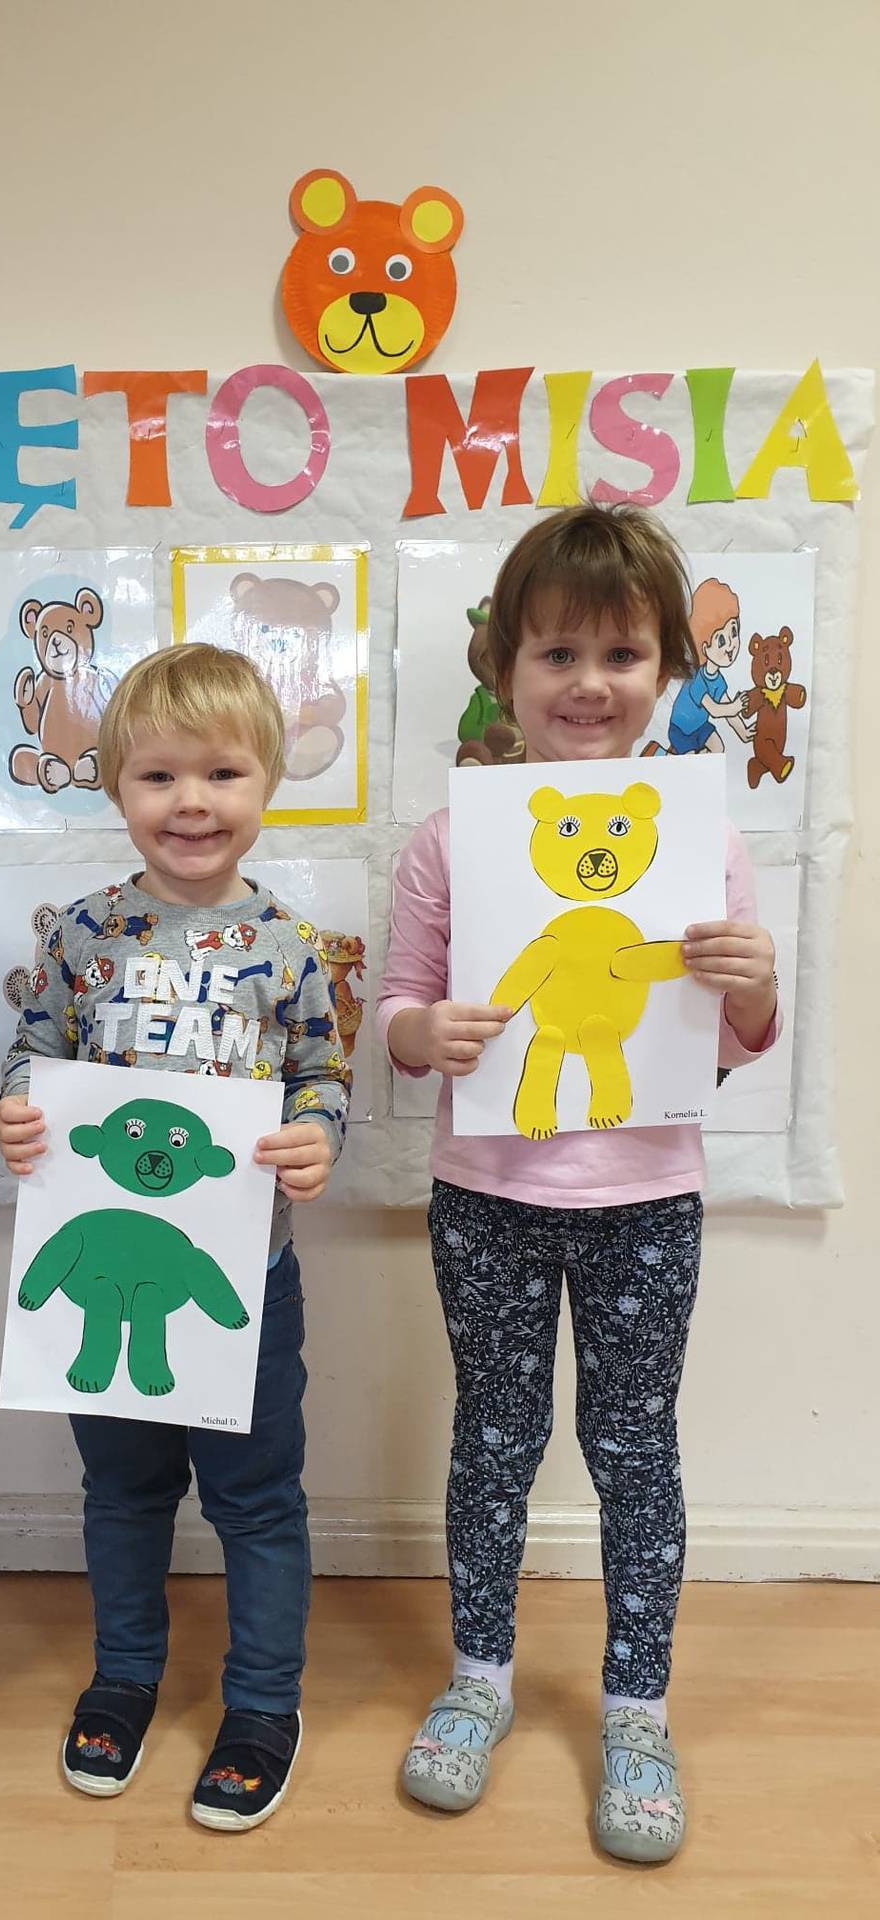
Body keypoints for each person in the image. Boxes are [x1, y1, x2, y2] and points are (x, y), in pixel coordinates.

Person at [379, 506, 778, 1864]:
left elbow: (729, 1042)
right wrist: (420, 1033)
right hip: (485, 1192)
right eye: (557, 652)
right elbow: (399, 1009)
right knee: (494, 1437)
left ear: (666, 668)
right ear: (503, 667)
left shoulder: (702, 841)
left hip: (645, 1195)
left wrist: (753, 986)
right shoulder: (449, 840)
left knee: (633, 1448)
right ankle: (479, 1677)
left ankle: (636, 1708)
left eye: (621, 653)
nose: (589, 682)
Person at [0, 643, 350, 1832]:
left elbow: (321, 1076)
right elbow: (32, 1056)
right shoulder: (79, 934)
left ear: (266, 784)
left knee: (257, 1500)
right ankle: (125, 1677)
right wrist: (18, 1113)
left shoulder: (291, 945)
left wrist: (316, 1137)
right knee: (123, 1491)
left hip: (244, 1278)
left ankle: (262, 1702)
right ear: (114, 786)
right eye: (157, 777)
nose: (190, 801)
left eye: (221, 773)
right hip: (102, 1277)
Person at [644, 575, 753, 755]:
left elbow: (728, 711)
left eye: (734, 632)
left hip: (701, 727)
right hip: (682, 730)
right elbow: (715, 710)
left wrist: (744, 732)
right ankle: (658, 753)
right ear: (704, 647)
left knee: (719, 749)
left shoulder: (718, 681)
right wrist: (735, 706)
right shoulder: (696, 679)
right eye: (721, 640)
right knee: (689, 760)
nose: (730, 645)